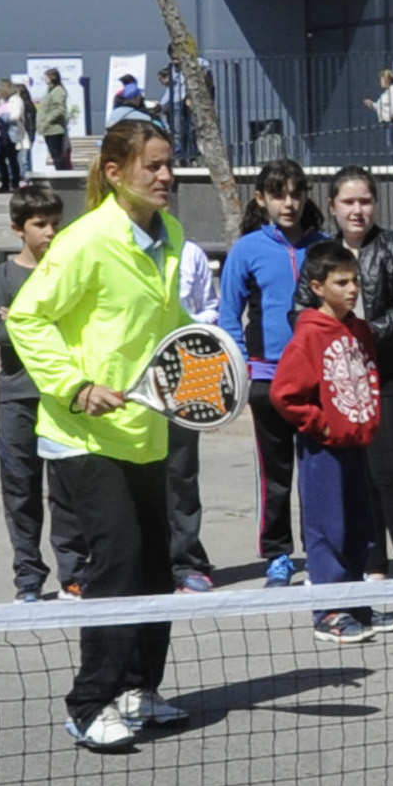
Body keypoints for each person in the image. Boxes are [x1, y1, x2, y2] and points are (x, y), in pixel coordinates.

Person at [4, 121, 195, 753]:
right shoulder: (83, 241)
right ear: (115, 173)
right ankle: (90, 704)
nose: (167, 176)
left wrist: (201, 366)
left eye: (170, 165)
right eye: (154, 166)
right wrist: (77, 386)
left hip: (146, 429)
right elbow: (28, 318)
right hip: (81, 434)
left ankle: (140, 688)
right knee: (115, 562)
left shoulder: (168, 234)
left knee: (155, 564)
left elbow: (168, 326)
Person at [218, 158, 328, 585]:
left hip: (317, 381)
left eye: (297, 193)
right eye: (279, 194)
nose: (289, 203)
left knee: (319, 471)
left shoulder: (323, 246)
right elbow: (230, 315)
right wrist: (243, 369)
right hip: (267, 380)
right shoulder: (247, 249)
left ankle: (320, 551)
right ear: (261, 199)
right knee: (276, 473)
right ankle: (278, 555)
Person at [272, 240, 384, 645]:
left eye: (355, 280)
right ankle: (329, 610)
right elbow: (285, 394)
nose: (352, 289)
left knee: (360, 527)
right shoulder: (308, 337)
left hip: (356, 443)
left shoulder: (359, 330)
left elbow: (368, 379)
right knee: (328, 528)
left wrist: (367, 421)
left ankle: (355, 602)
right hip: (324, 450)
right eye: (342, 282)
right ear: (318, 287)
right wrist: (322, 425)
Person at [0, 182, 86, 603]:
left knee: (67, 492)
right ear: (17, 229)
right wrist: (37, 324)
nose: (50, 232)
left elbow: (74, 331)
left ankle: (74, 573)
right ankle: (28, 577)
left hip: (59, 397)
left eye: (56, 224)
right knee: (21, 492)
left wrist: (21, 320)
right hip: (17, 399)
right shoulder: (1, 278)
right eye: (40, 224)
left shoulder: (68, 272)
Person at [328, 168, 393, 606]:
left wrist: (360, 338)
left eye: (365, 201)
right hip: (343, 382)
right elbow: (301, 310)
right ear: (333, 206)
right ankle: (374, 566)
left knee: (391, 473)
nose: (357, 210)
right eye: (348, 202)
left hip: (391, 376)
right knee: (359, 477)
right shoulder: (322, 253)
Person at [169, 227, 219, 591]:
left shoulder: (191, 253)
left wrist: (188, 330)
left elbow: (210, 308)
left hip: (187, 369)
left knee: (182, 472)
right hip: (132, 376)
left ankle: (186, 561)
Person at [37, 67, 73, 171]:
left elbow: (59, 109)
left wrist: (47, 120)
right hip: (48, 129)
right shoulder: (49, 91)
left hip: (54, 129)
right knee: (54, 154)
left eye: (46, 77)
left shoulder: (58, 91)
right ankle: (60, 174)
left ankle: (63, 177)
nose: (44, 79)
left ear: (53, 77)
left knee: (57, 154)